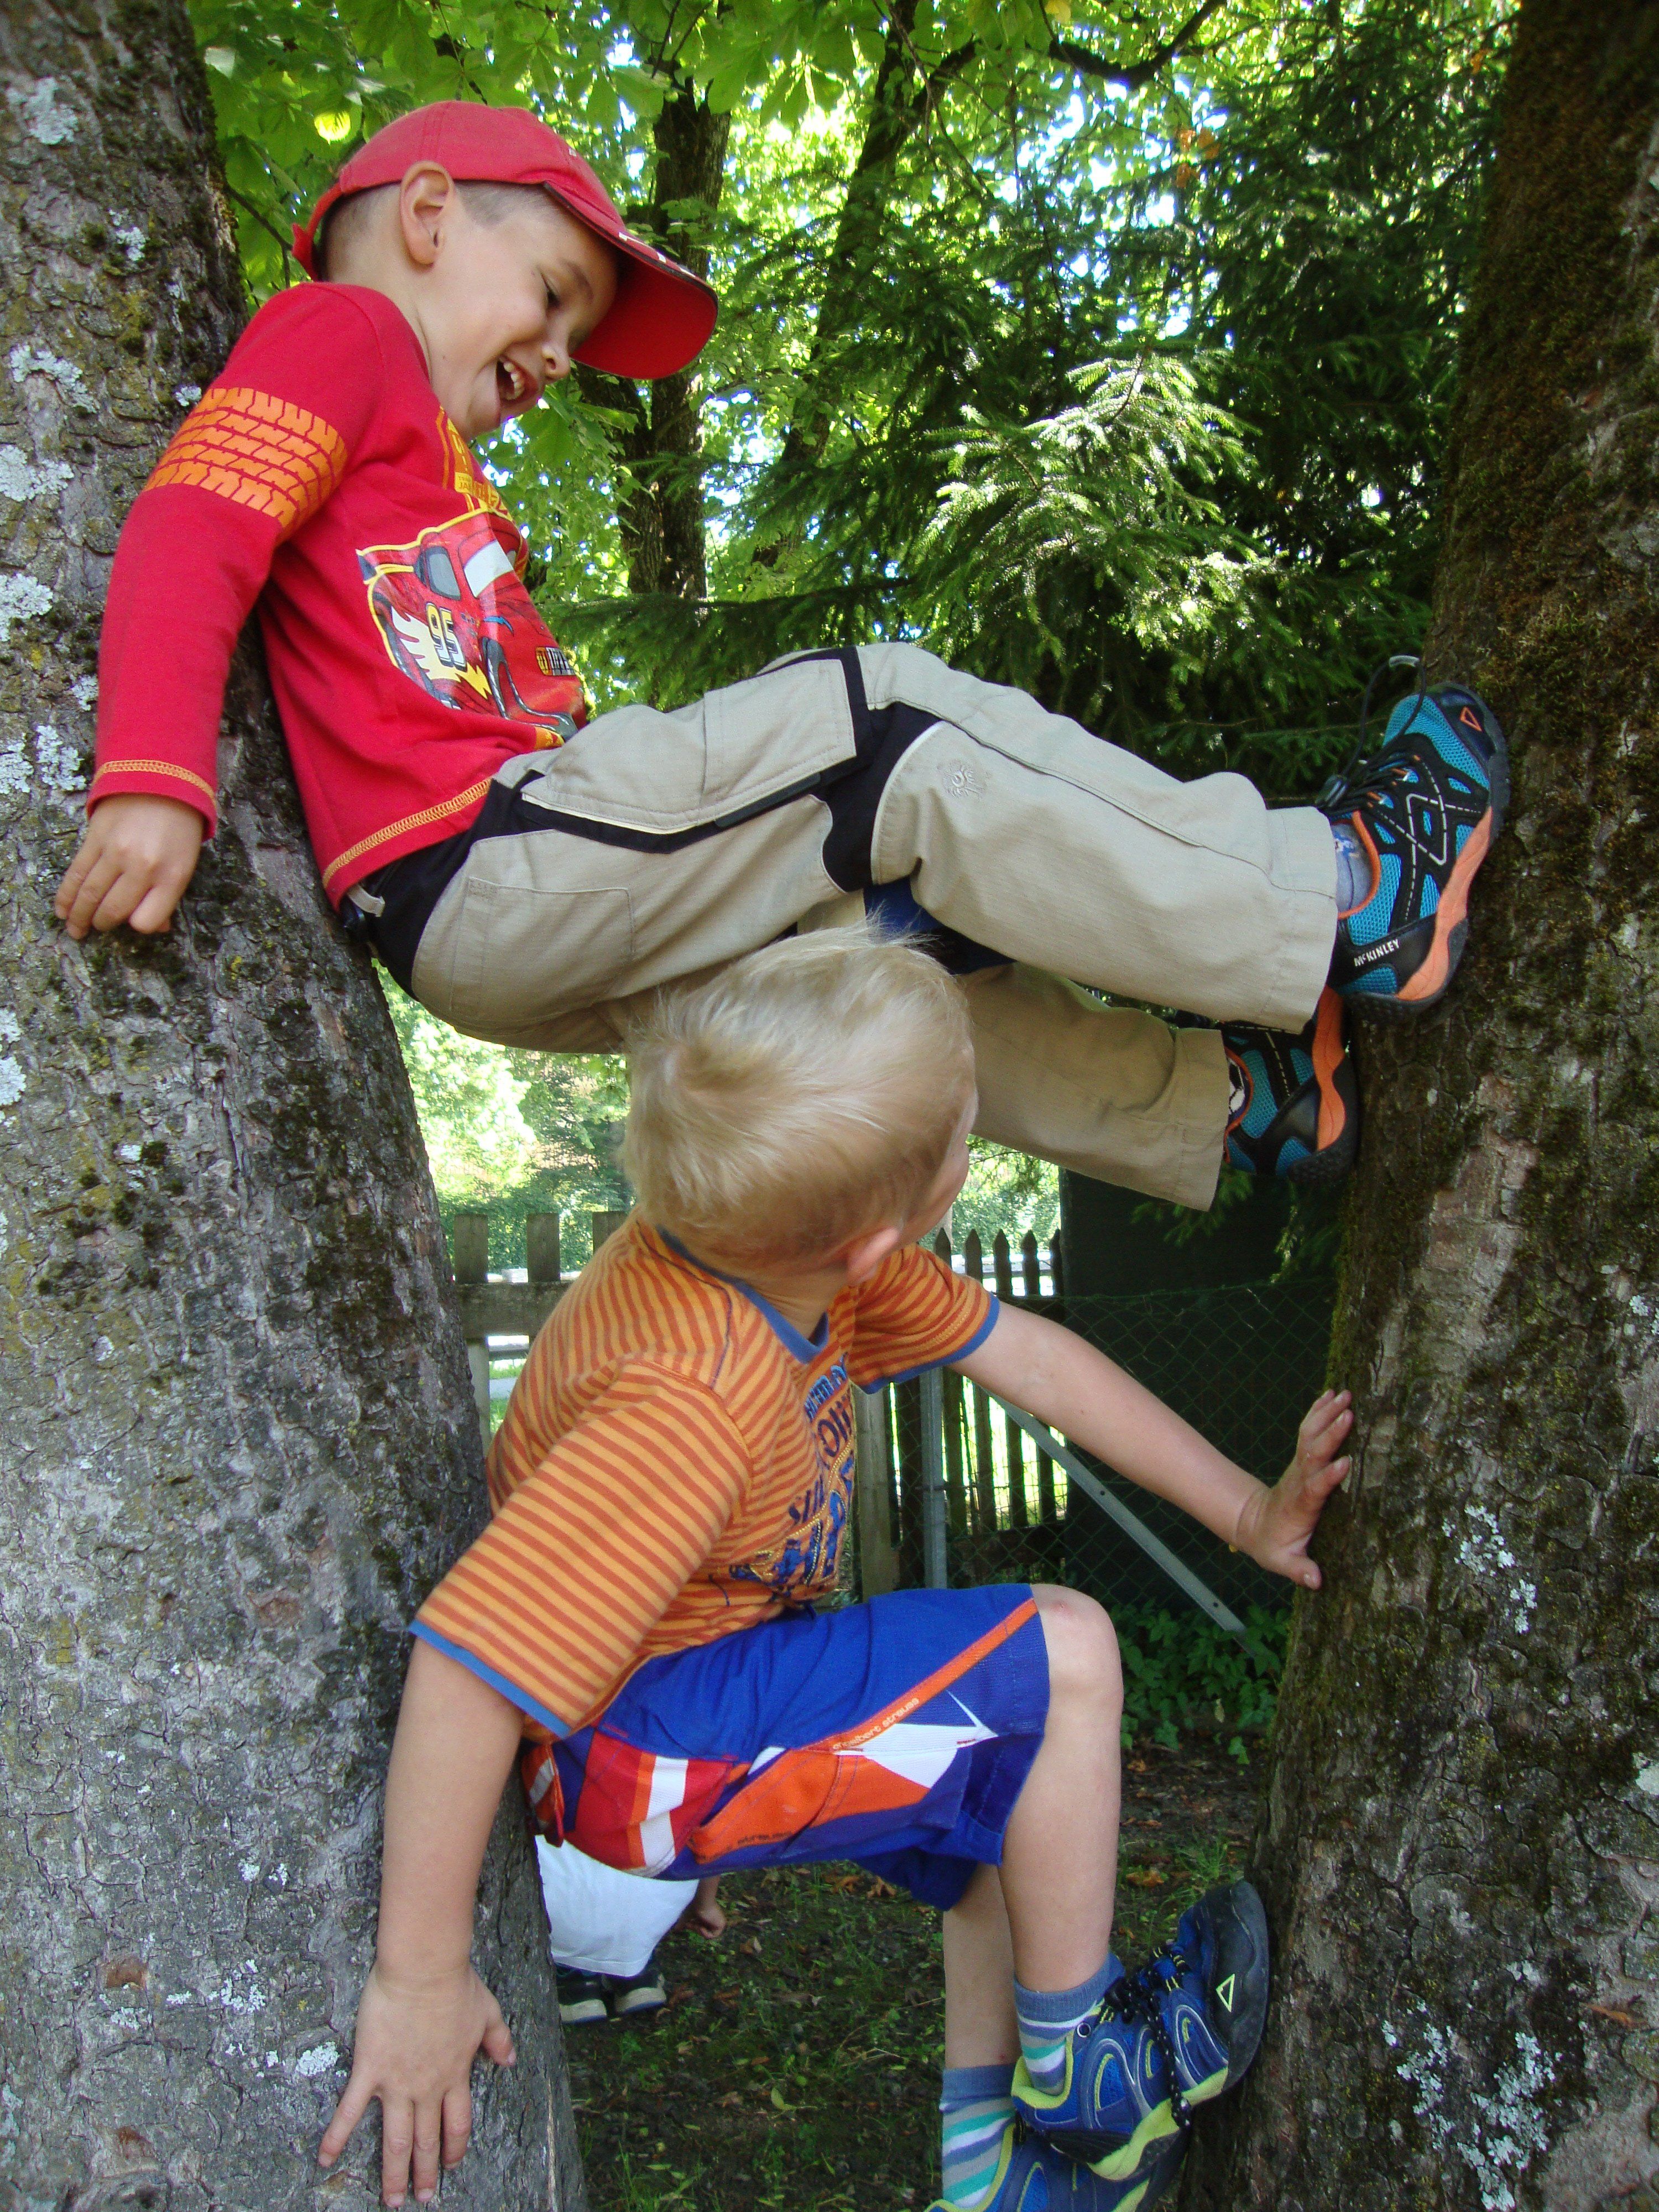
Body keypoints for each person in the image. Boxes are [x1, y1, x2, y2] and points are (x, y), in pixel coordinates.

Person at [53, 101, 1509, 1212]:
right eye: (554, 294)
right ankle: (1341, 894)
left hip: (494, 919)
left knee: (879, 957)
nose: (557, 355)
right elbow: (195, 522)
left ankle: (1239, 1107)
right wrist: (154, 775)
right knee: (886, 725)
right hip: (489, 850)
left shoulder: (425, 451)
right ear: (428, 213)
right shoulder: (342, 329)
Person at [315, 926, 1355, 2210]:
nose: (976, 1135)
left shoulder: (791, 1258)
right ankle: (1084, 2068)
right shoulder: (689, 1394)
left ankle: (1008, 2183)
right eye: (968, 1130)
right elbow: (472, 1668)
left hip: (682, 1704)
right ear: (876, 1234)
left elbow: (1034, 1359)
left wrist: (1248, 1509)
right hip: (636, 1740)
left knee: (1007, 1814)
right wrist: (419, 1975)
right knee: (1069, 1652)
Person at [536, 1840, 724, 2024]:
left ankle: (576, 1980)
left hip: (564, 1916)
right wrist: (705, 1905)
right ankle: (635, 1966)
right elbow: (715, 1834)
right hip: (657, 1903)